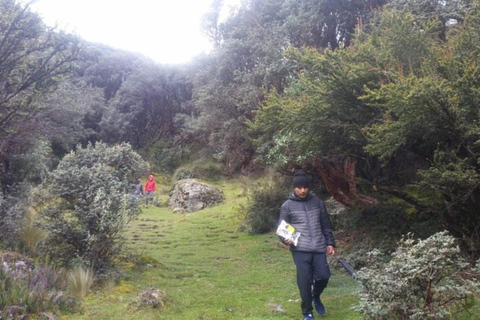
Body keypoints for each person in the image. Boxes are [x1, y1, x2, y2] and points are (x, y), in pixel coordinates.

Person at [278, 170, 336, 320]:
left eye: (305, 187)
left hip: (318, 246)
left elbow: (326, 224)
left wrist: (330, 242)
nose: (303, 191)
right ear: (294, 188)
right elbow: (282, 227)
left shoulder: (317, 202)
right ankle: (307, 312)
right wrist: (285, 239)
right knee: (305, 281)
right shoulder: (287, 206)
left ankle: (315, 295)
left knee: (324, 276)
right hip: (300, 249)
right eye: (299, 188)